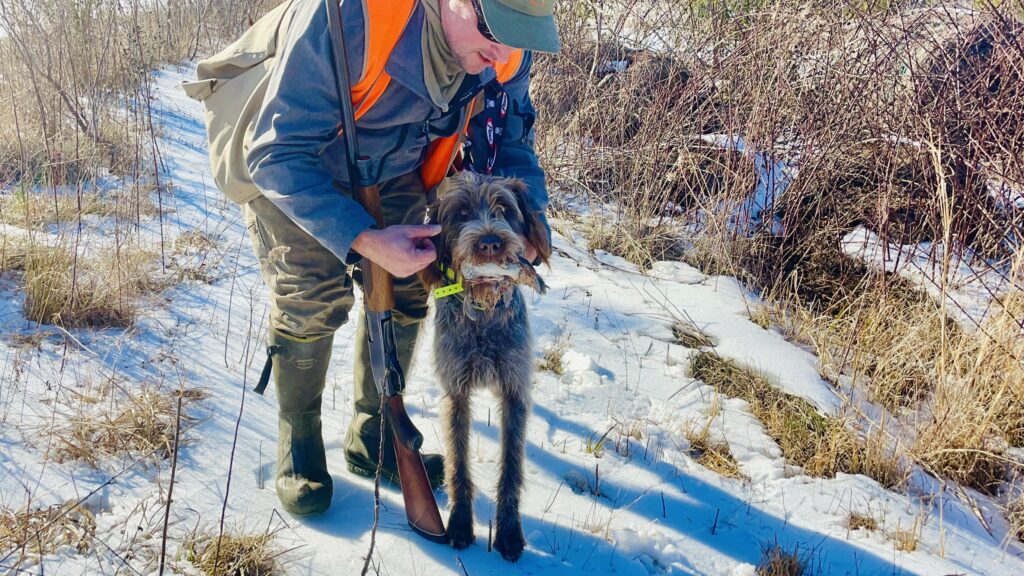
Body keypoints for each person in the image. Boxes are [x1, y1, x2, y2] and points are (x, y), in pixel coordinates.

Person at [244, 0, 560, 516]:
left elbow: (512, 141)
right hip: (299, 162)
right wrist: (363, 239)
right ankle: (299, 443)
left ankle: (375, 434)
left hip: (392, 161)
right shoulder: (349, 18)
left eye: (520, 34)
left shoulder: (505, 52)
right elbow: (274, 154)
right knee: (312, 296)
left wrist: (532, 220)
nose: (503, 49)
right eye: (493, 28)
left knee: (417, 279)